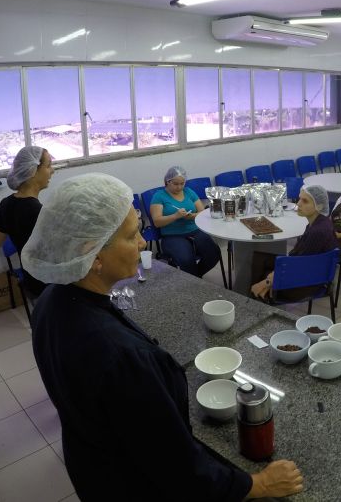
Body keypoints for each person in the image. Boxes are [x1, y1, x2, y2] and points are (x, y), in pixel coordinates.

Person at [22, 173, 303, 501]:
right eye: (131, 236)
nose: (142, 243)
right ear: (93, 255)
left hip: (91, 468)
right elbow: (178, 468)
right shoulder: (121, 356)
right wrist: (260, 484)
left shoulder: (50, 303)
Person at [0, 146, 54, 297]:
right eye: (48, 166)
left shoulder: (6, 204)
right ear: (33, 171)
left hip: (31, 284)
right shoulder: (39, 211)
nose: (52, 170)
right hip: (51, 286)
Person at [250, 185, 338, 301]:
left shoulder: (317, 231)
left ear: (319, 206)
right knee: (260, 259)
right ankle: (257, 298)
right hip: (309, 271)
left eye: (305, 201)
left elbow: (299, 266)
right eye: (299, 198)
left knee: (262, 273)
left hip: (307, 283)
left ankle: (256, 297)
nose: (299, 204)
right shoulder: (319, 222)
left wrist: (267, 282)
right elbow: (300, 258)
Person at [149, 166, 221, 278]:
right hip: (172, 235)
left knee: (214, 254)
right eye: (176, 184)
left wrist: (193, 216)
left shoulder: (189, 192)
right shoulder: (159, 196)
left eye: (182, 183)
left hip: (195, 230)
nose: (179, 187)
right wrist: (175, 216)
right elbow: (157, 222)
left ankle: (196, 277)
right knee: (186, 259)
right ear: (167, 182)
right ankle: (194, 282)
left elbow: (202, 213)